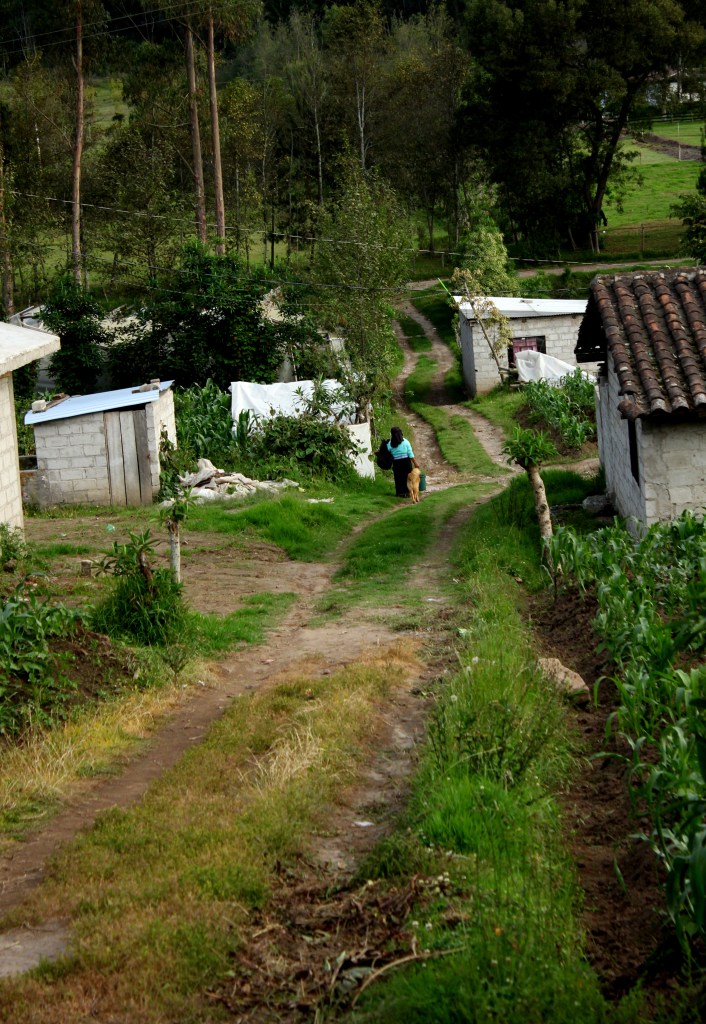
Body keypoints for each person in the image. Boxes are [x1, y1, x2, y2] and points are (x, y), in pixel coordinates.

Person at [387, 426, 419, 498]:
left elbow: (388, 453)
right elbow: (410, 454)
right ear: (401, 433)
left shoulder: (390, 444)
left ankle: (400, 493)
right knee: (408, 478)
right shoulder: (405, 442)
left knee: (398, 478)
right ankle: (409, 492)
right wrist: (415, 463)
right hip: (406, 462)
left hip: (396, 463)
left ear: (392, 434)